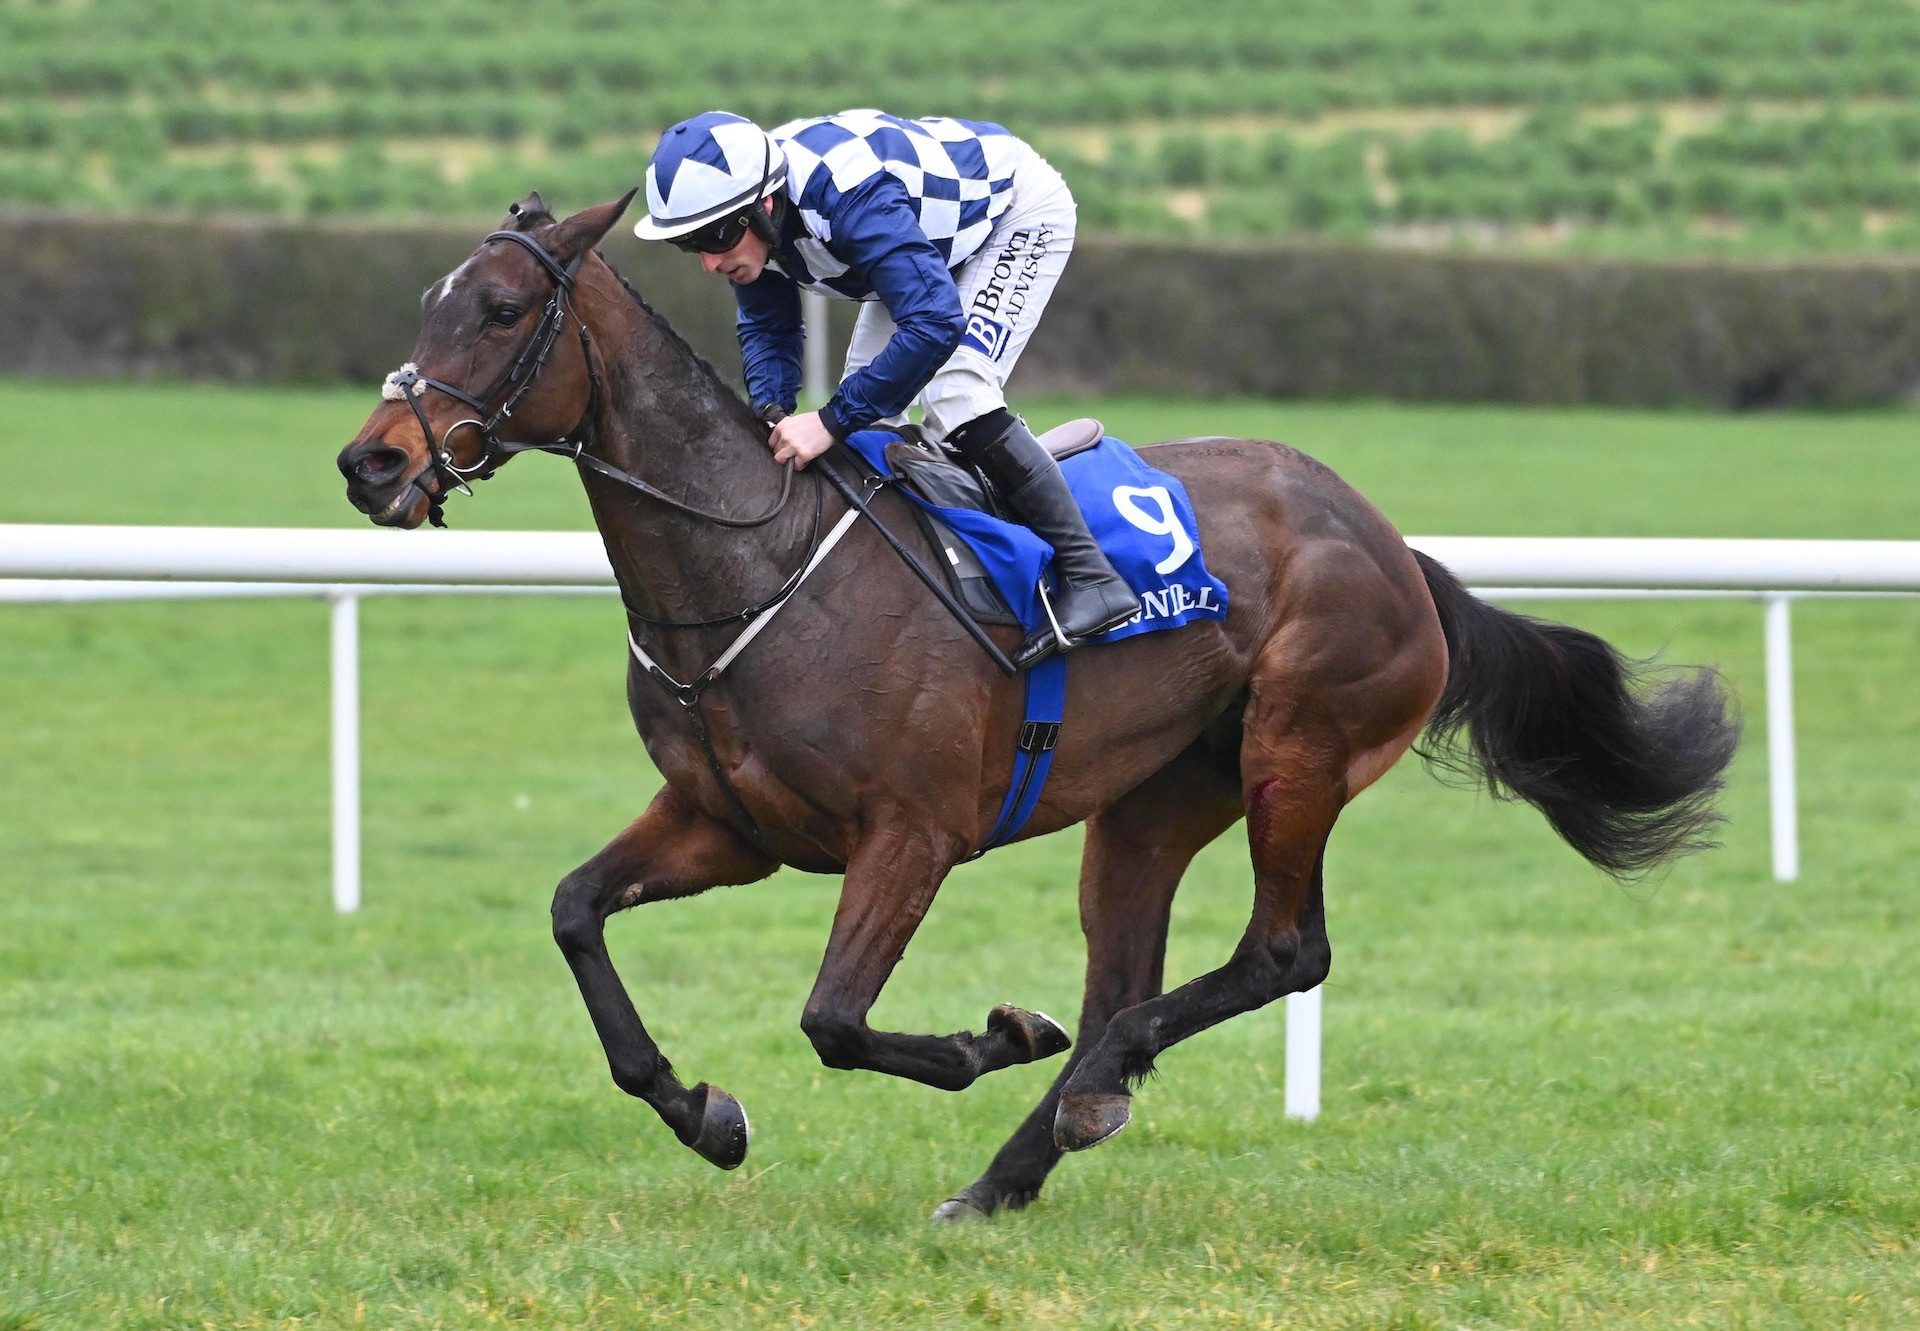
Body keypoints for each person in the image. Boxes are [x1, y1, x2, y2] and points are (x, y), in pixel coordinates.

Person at [633, 108, 1137, 666]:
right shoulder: (754, 217)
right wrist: (772, 408)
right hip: (919, 241)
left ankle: (1093, 575)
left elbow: (935, 323)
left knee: (957, 391)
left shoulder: (845, 196)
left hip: (1012, 214)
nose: (708, 260)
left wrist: (825, 421)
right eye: (690, 244)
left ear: (766, 204)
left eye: (716, 236)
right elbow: (768, 325)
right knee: (868, 431)